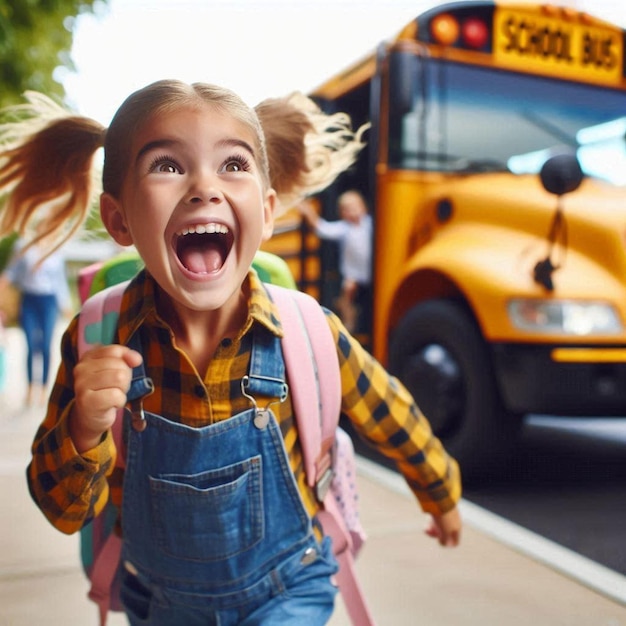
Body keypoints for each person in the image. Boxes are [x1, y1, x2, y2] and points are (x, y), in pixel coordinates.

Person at [0, 80, 462, 625]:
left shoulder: (308, 332)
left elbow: (392, 414)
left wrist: (440, 490)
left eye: (233, 165)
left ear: (266, 212)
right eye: (167, 166)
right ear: (120, 218)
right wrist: (83, 428)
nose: (203, 187)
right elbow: (62, 509)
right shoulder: (97, 338)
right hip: (160, 602)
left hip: (290, 587)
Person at [0, 224, 71, 406]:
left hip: (49, 301)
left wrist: (66, 305)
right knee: (31, 345)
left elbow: (60, 281)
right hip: (29, 300)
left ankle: (44, 388)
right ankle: (31, 388)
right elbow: (11, 271)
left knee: (47, 345)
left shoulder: (56, 249)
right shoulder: (23, 246)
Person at [298, 190, 372, 334]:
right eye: (345, 209)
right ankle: (348, 323)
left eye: (353, 207)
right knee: (348, 293)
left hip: (370, 272)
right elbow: (322, 228)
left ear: (363, 207)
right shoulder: (345, 228)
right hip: (353, 276)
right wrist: (308, 211)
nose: (350, 212)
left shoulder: (369, 225)